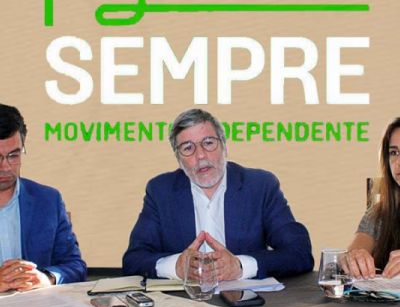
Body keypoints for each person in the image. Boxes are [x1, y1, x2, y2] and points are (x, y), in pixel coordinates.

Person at [123, 109, 313, 280]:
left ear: (224, 146)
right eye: (188, 148)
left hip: (244, 301)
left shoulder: (260, 186)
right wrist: (176, 267)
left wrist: (240, 266)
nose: (200, 155)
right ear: (179, 159)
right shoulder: (160, 191)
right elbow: (134, 259)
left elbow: (299, 252)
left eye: (208, 143)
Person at [0, 104, 86, 292]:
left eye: (13, 156)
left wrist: (47, 278)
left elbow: (75, 266)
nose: (5, 167)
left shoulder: (47, 200)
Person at [345, 117, 400, 279]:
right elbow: (352, 253)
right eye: (394, 153)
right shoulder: (380, 212)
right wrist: (353, 258)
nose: (398, 162)